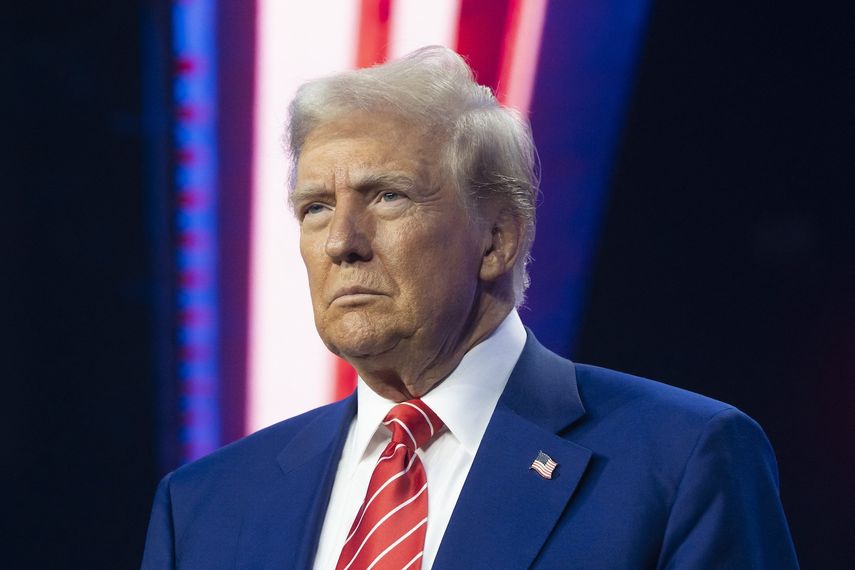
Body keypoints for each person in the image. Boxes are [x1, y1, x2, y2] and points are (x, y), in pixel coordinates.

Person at [141, 46, 798, 569]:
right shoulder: (204, 505)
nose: (341, 241)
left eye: (387, 196)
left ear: (496, 238)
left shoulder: (681, 460)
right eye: (315, 208)